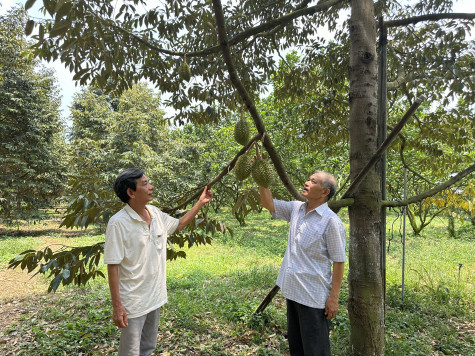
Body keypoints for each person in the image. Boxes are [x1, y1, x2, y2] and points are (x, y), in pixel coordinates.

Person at [104, 168, 212, 356]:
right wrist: (117, 306)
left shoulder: (154, 213)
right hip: (133, 303)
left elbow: (179, 224)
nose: (151, 187)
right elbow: (112, 266)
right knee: (130, 352)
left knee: (147, 348)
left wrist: (200, 203)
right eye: (145, 184)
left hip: (154, 297)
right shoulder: (118, 223)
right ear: (131, 192)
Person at [258, 169, 346, 356]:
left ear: (325, 192)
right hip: (293, 291)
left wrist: (334, 298)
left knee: (315, 350)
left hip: (313, 296)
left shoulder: (331, 222)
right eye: (308, 179)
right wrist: (261, 177)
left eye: (313, 181)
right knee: (297, 347)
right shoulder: (296, 209)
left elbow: (339, 261)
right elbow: (268, 203)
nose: (307, 183)